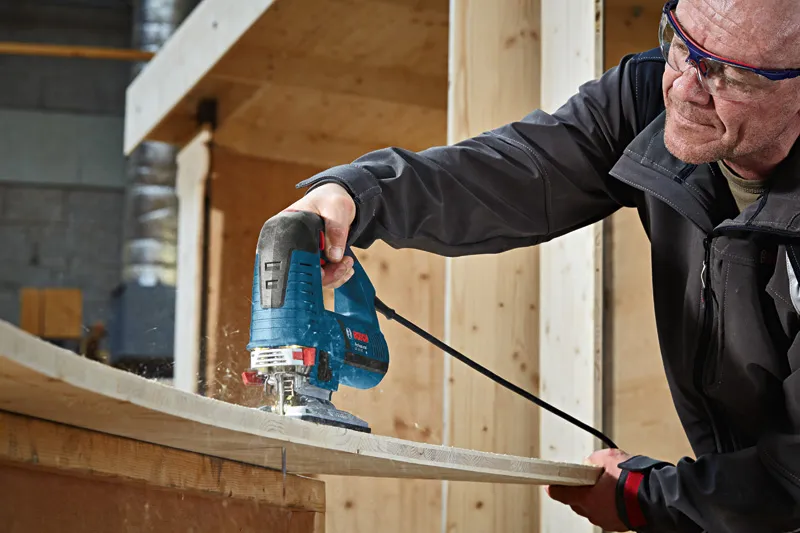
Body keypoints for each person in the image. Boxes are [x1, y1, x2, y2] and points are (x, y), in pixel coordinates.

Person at [283, 0, 800, 530]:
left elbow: (793, 480)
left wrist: (646, 497)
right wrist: (358, 194)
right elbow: (518, 173)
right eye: (680, 42)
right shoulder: (648, 96)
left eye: (730, 72)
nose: (686, 88)